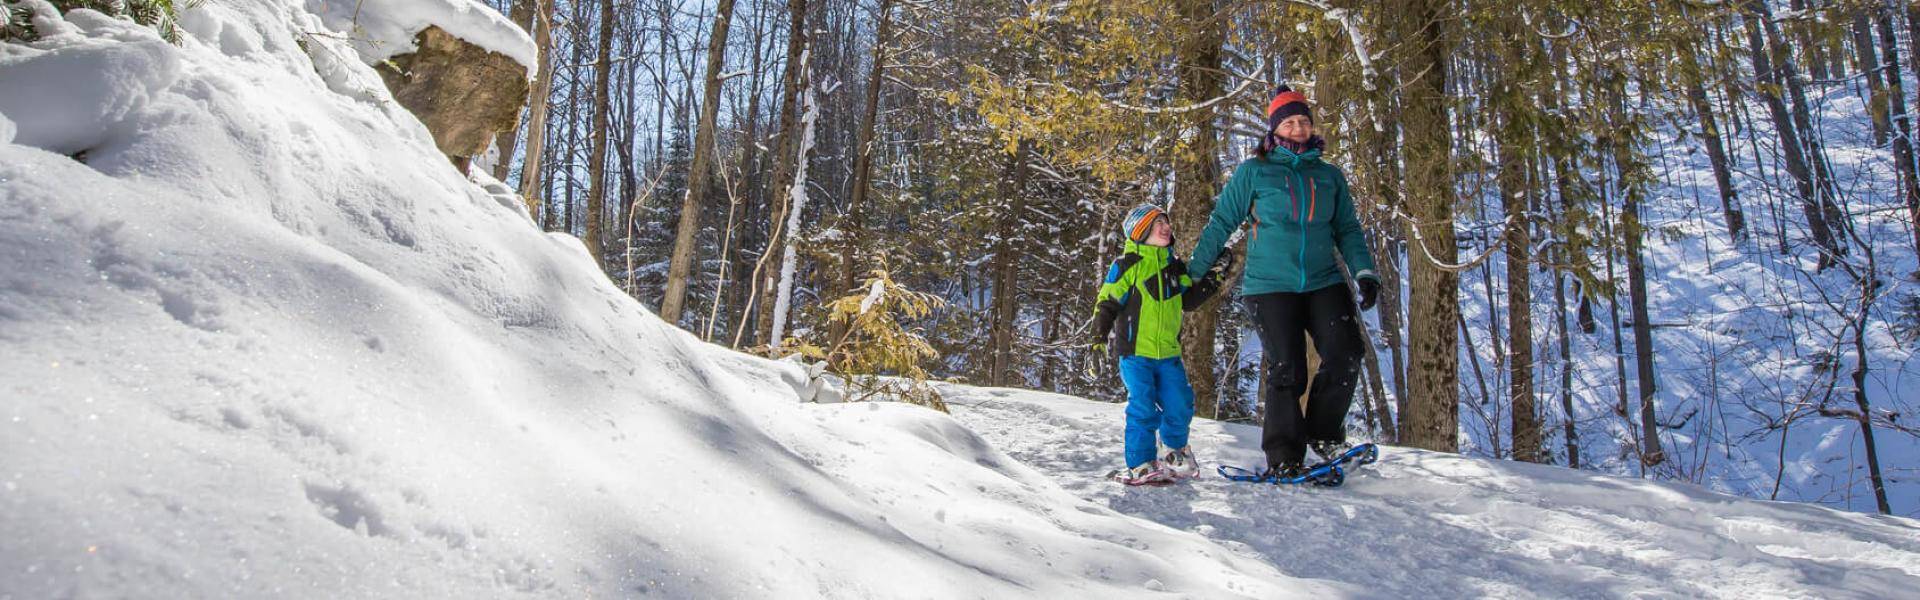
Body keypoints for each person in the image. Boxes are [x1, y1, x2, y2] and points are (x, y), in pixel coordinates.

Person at [1184, 86, 1380, 480]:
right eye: (1289, 122)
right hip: (1269, 285)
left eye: (1303, 121)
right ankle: (1284, 454)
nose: (1298, 127)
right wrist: (1193, 274)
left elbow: (1347, 228)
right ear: (1275, 129)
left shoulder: (1328, 176)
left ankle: (1324, 437)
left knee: (1346, 352)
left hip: (1322, 279)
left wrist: (1364, 271)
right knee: (1287, 366)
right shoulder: (1254, 172)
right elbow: (1221, 222)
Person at [1091, 204, 1227, 484]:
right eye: (1156, 224)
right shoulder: (1126, 265)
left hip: (1168, 353)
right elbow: (1107, 302)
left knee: (1180, 403)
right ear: (1140, 232)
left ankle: (1174, 454)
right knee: (1143, 407)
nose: (1165, 227)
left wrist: (1215, 277)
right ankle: (1140, 464)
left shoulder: (1174, 266)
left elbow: (1188, 300)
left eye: (1166, 222)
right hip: (1135, 353)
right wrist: (1097, 340)